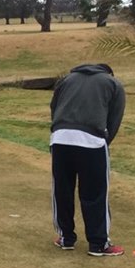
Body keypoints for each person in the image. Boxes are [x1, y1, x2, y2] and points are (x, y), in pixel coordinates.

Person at [50, 63, 126, 256]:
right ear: (108, 72)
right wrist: (105, 141)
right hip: (92, 141)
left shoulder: (66, 79)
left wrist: (58, 130)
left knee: (63, 189)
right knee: (95, 193)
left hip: (60, 139)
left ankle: (66, 238)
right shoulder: (113, 83)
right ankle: (99, 244)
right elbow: (114, 118)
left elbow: (54, 107)